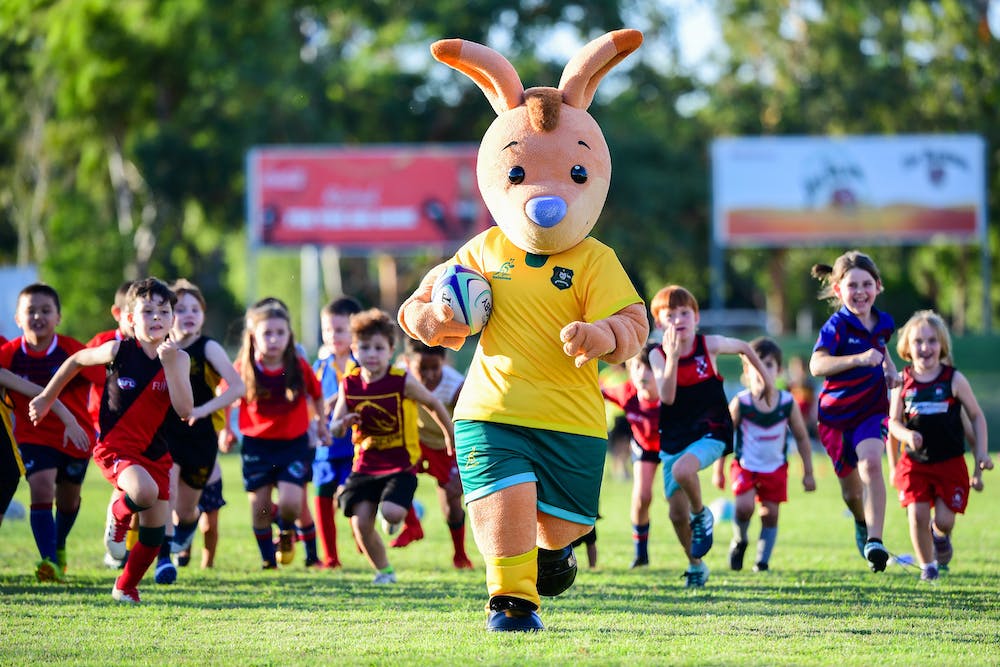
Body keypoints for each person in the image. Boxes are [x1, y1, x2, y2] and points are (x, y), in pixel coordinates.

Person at [29, 278, 194, 603]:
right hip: (116, 449)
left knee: (154, 531)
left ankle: (125, 586)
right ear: (131, 318)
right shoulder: (118, 350)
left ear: (173, 318)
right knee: (143, 493)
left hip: (157, 454)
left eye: (164, 310)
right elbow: (76, 361)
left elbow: (185, 410)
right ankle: (118, 517)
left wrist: (172, 366)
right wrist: (47, 397)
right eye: (148, 311)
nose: (157, 317)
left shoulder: (180, 359)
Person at [648, 285, 774, 588]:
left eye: (685, 313)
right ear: (659, 323)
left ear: (696, 317)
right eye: (670, 314)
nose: (679, 319)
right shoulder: (657, 354)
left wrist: (767, 381)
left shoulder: (710, 345)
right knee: (675, 513)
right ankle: (696, 565)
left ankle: (702, 514)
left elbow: (744, 346)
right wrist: (674, 358)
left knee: (683, 471)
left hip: (711, 430)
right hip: (675, 437)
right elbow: (666, 397)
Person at [330, 309, 454, 584]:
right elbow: (335, 426)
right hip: (365, 464)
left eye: (378, 348)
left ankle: (398, 512)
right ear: (354, 349)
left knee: (391, 513)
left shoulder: (401, 380)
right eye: (364, 347)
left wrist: (449, 435)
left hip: (400, 462)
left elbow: (433, 403)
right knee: (360, 524)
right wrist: (342, 424)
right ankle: (384, 571)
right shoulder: (349, 384)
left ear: (390, 350)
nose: (371, 354)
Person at [0, 283, 102, 581]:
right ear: (18, 318)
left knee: (68, 501)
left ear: (58, 316)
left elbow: (106, 381)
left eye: (46, 310)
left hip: (75, 436)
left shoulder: (73, 351)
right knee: (41, 487)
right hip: (33, 437)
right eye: (30, 311)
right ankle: (49, 562)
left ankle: (58, 545)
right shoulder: (8, 354)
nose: (38, 317)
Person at [809, 250, 898, 573]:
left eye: (866, 284)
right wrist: (858, 360)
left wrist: (890, 371)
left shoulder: (884, 323)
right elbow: (817, 364)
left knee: (872, 464)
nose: (860, 292)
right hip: (834, 419)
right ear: (838, 290)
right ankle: (862, 522)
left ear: (877, 286)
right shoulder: (836, 326)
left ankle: (875, 540)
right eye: (852, 285)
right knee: (850, 492)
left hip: (871, 412)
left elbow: (882, 349)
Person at [886, 310, 993, 581]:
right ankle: (927, 567)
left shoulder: (954, 380)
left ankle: (940, 535)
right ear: (907, 347)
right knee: (917, 514)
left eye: (932, 340)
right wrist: (907, 437)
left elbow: (976, 416)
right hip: (915, 463)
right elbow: (893, 423)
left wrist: (981, 453)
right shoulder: (902, 381)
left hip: (950, 462)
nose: (925, 347)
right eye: (918, 341)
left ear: (942, 345)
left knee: (944, 521)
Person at [153, 279, 245, 584]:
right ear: (166, 314)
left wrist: (204, 410)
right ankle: (164, 557)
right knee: (167, 488)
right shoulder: (160, 347)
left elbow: (239, 387)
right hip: (167, 432)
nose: (188, 314)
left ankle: (184, 531)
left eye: (195, 309)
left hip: (201, 436)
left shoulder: (208, 347)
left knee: (186, 509)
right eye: (179, 309)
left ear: (203, 315)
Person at [236, 302, 328, 569]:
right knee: (260, 508)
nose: (274, 339)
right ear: (254, 336)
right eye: (267, 333)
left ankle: (289, 533)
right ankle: (268, 560)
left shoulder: (297, 365)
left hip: (293, 444)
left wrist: (321, 425)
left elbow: (317, 395)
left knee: (291, 503)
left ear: (289, 336)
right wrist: (223, 432)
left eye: (280, 332)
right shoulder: (244, 366)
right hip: (256, 446)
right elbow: (228, 394)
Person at [714, 337, 816, 573]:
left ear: (778, 370)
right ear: (746, 372)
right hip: (746, 466)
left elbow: (801, 437)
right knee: (743, 507)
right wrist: (719, 470)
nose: (762, 371)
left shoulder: (787, 403)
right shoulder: (741, 402)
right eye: (756, 365)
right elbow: (724, 437)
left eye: (768, 364)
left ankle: (762, 561)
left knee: (770, 515)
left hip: (775, 468)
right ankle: (740, 540)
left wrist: (808, 473)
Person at [397, 338, 474, 569]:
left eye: (435, 368)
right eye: (423, 369)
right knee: (394, 475)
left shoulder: (455, 385)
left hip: (446, 446)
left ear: (445, 362)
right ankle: (412, 525)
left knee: (451, 503)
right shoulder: (400, 376)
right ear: (408, 362)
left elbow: (470, 425)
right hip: (415, 442)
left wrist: (464, 465)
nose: (429, 375)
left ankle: (460, 556)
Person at [86, 281, 138, 570]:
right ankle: (116, 546)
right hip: (108, 430)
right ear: (121, 313)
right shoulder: (105, 343)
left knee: (142, 493)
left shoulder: (159, 345)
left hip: (147, 432)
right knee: (125, 486)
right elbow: (80, 372)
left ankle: (124, 546)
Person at [0, 368, 89, 530]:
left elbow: (40, 393)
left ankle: (53, 551)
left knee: (66, 498)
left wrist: (69, 421)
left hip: (3, 468)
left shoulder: (2, 376)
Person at [311, 296, 362, 568]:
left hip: (355, 447)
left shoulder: (363, 365)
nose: (333, 336)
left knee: (350, 498)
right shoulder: (318, 368)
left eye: (340, 329)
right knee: (321, 496)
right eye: (327, 330)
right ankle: (330, 557)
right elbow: (309, 403)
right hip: (326, 446)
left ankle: (361, 534)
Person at [600, 342, 660, 569]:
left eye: (650, 368)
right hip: (644, 447)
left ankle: (694, 554)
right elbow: (599, 392)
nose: (643, 374)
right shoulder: (627, 391)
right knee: (641, 498)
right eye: (637, 367)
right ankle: (640, 555)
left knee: (678, 506)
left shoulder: (672, 392)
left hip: (673, 447)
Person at [176, 459, 227, 569]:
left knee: (209, 526)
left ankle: (208, 565)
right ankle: (183, 549)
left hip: (209, 476)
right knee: (183, 517)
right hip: (182, 477)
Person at [786, 355, 818, 438]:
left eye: (800, 369)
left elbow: (814, 406)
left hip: (807, 423)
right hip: (791, 424)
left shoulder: (810, 386)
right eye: (794, 369)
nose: (797, 373)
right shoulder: (789, 387)